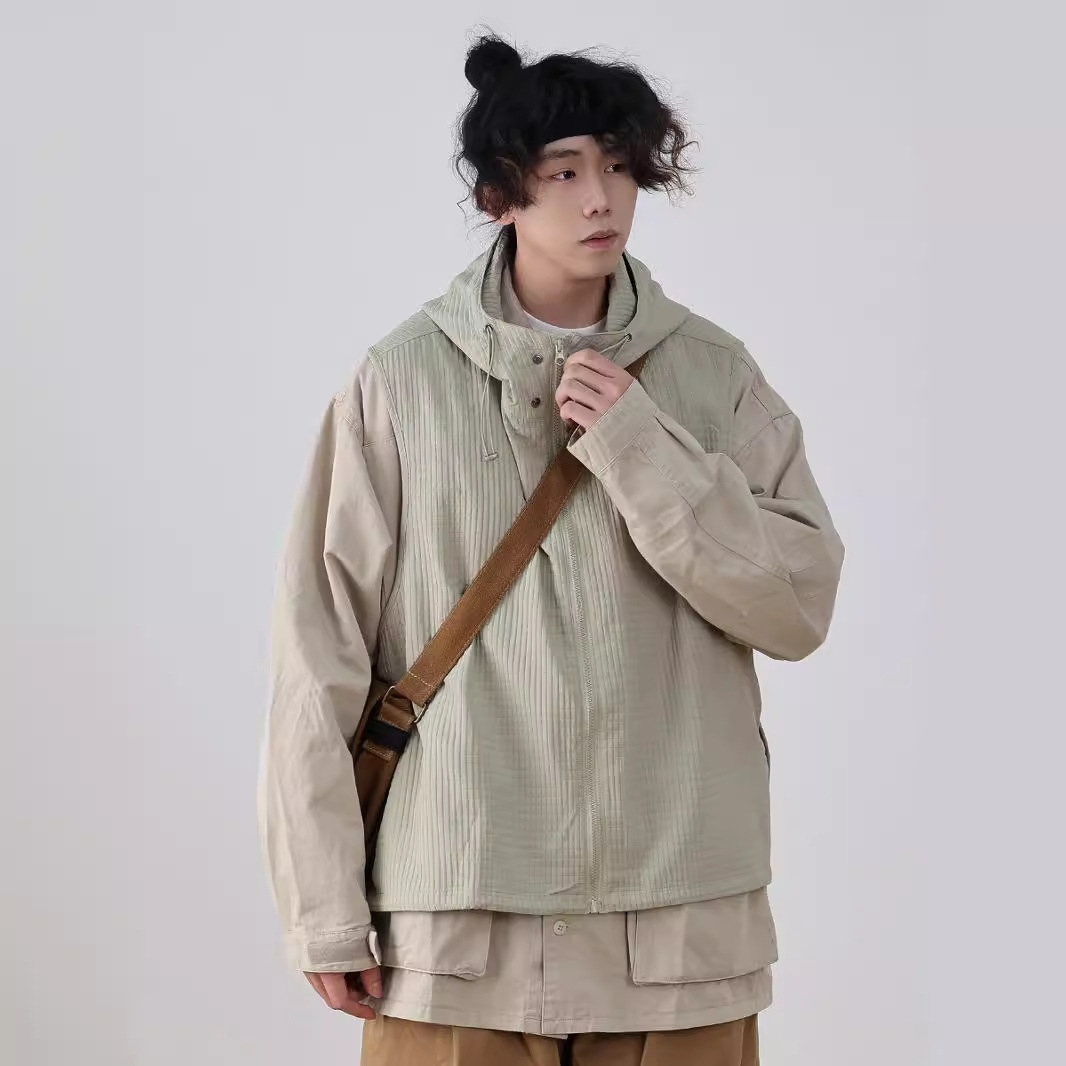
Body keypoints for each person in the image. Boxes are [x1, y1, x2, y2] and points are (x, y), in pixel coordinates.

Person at [256, 31, 845, 1066]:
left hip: (679, 941)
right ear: (500, 195)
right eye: (564, 171)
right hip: (453, 936)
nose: (600, 199)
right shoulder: (400, 382)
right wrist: (322, 908)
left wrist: (643, 450)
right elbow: (319, 651)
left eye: (618, 166)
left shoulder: (712, 375)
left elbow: (797, 606)